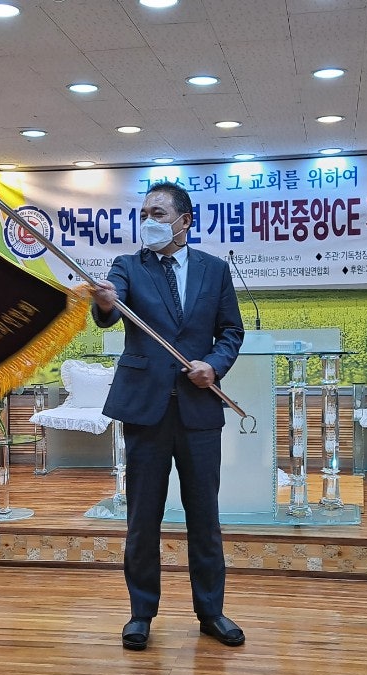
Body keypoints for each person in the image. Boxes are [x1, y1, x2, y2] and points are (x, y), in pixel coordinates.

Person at [90, 181, 246, 649]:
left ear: (185, 220)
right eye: (144, 214)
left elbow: (231, 332)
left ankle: (211, 613)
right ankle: (141, 613)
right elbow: (110, 308)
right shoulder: (127, 267)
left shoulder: (215, 270)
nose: (149, 222)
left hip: (198, 410)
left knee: (205, 518)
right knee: (143, 518)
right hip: (145, 410)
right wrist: (104, 302)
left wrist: (213, 366)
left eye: (158, 214)